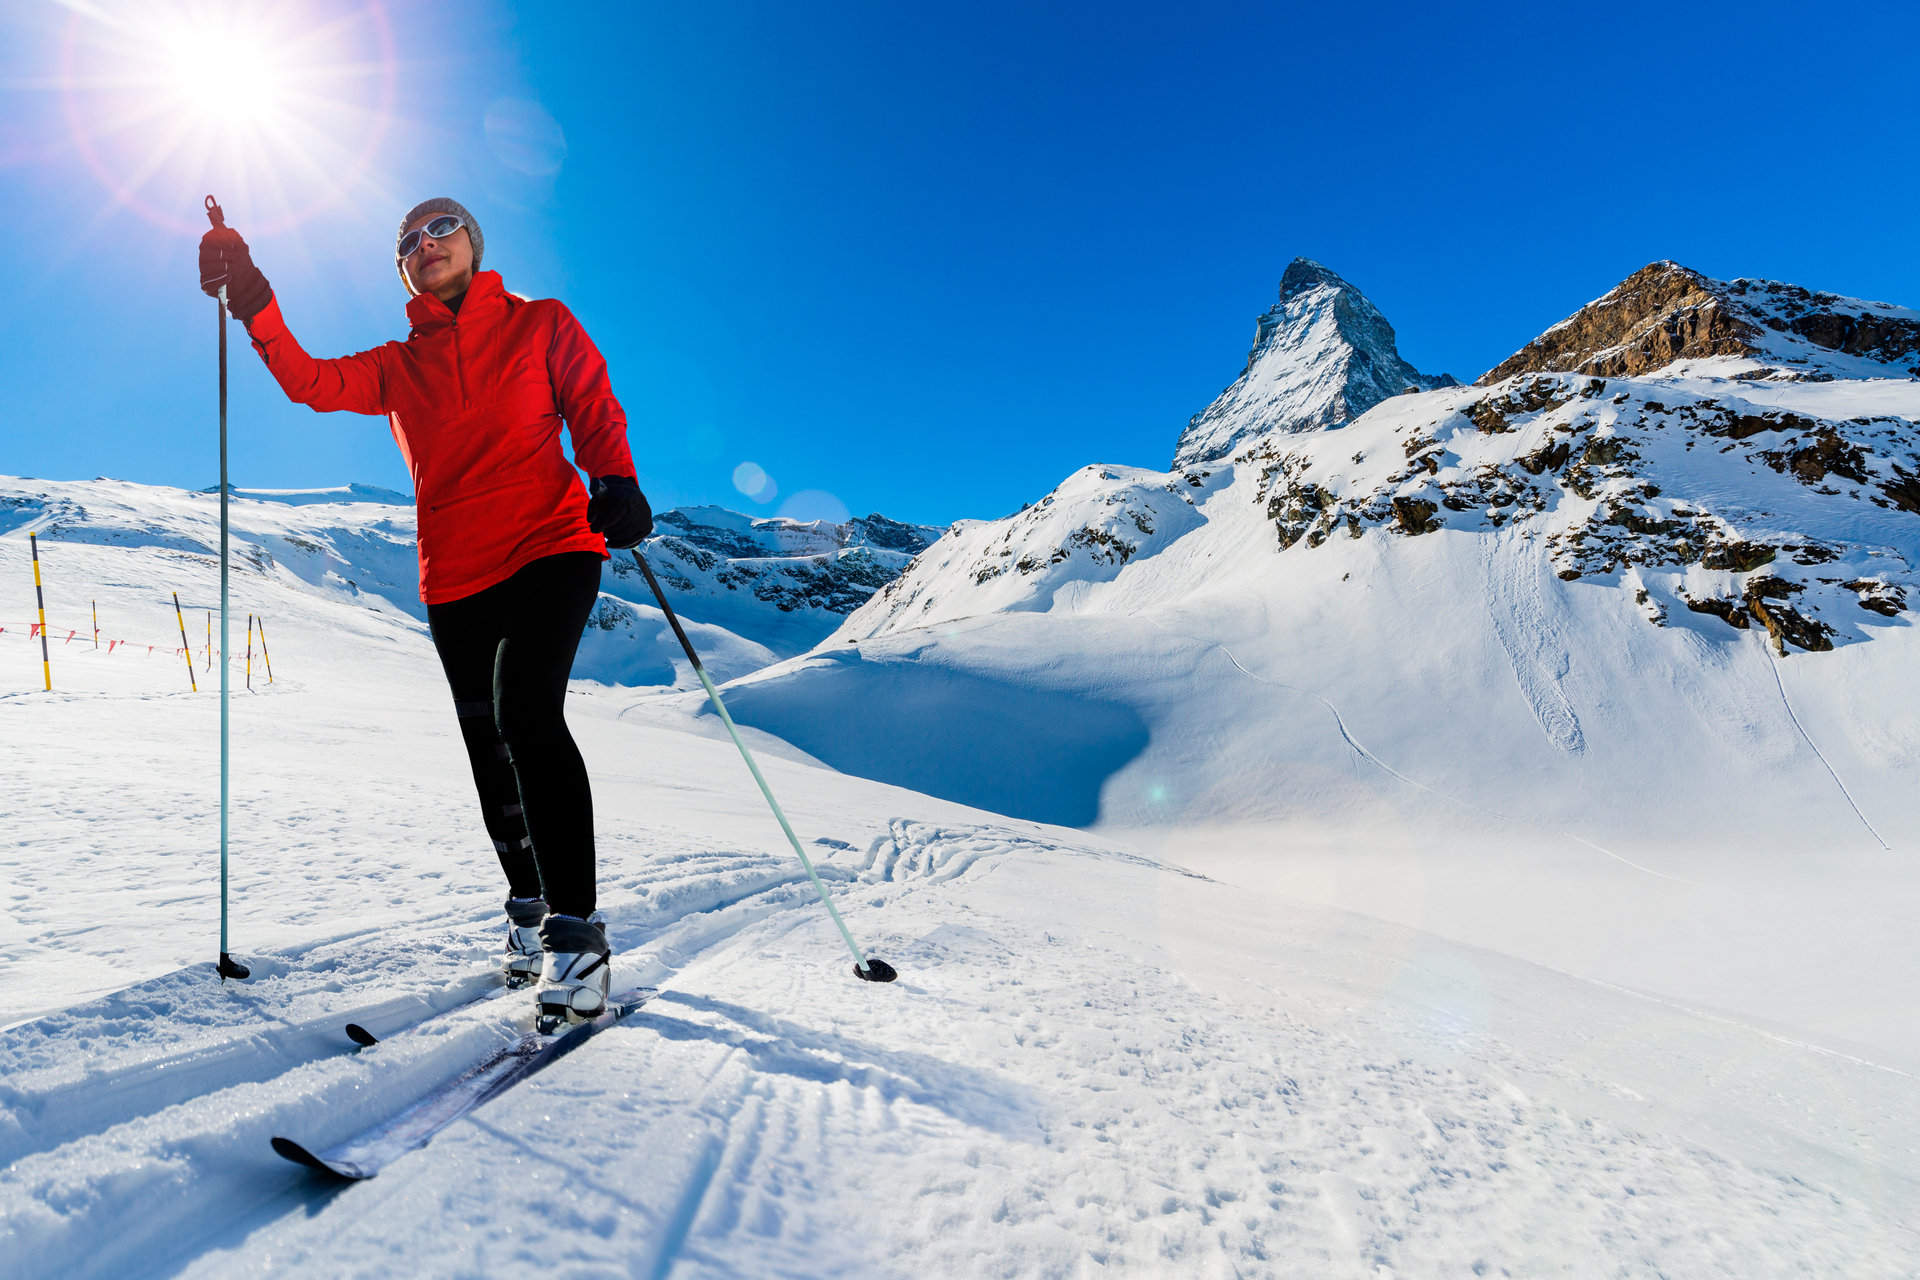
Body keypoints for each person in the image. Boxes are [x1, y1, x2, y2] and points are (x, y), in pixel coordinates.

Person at [198, 198, 653, 1026]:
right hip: (457, 577)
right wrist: (255, 300)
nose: (425, 244)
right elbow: (309, 381)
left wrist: (614, 477)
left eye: (441, 228)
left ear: (473, 243)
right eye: (408, 242)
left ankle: (578, 939)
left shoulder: (541, 323)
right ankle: (526, 907)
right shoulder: (397, 366)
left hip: (552, 543)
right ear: (404, 272)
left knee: (527, 713)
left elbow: (590, 400)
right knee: (488, 751)